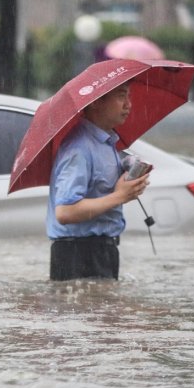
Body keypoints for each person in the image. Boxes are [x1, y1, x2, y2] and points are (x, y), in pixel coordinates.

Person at [47, 82, 149, 281]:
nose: (128, 104)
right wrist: (120, 196)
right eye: (121, 96)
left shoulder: (107, 142)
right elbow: (65, 212)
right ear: (95, 102)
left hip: (103, 249)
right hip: (77, 253)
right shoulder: (78, 149)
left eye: (128, 96)